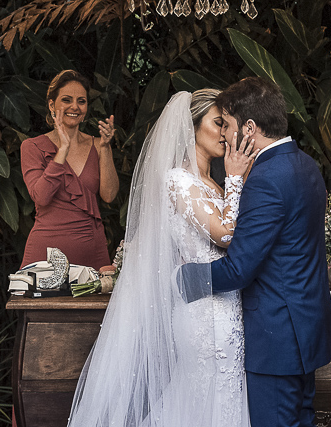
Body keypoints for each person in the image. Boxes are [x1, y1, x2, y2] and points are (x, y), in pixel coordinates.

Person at [67, 88, 257, 427]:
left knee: (224, 401)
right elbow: (226, 235)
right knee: (200, 402)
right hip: (202, 314)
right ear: (192, 127)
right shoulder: (178, 181)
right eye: (219, 123)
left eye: (229, 124)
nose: (229, 134)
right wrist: (236, 179)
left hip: (230, 309)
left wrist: (232, 182)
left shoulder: (214, 184)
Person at [181, 77, 331, 427]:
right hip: (305, 330)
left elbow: (238, 270)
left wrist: (179, 278)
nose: (226, 135)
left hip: (277, 338)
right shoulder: (306, 165)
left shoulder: (266, 177)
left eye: (230, 126)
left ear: (250, 128)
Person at [20, 70, 119, 267]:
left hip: (92, 252)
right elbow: (41, 197)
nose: (75, 106)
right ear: (51, 105)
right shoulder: (32, 146)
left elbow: (109, 196)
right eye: (66, 100)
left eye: (81, 101)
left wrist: (106, 147)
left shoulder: (99, 145)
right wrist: (63, 149)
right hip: (45, 256)